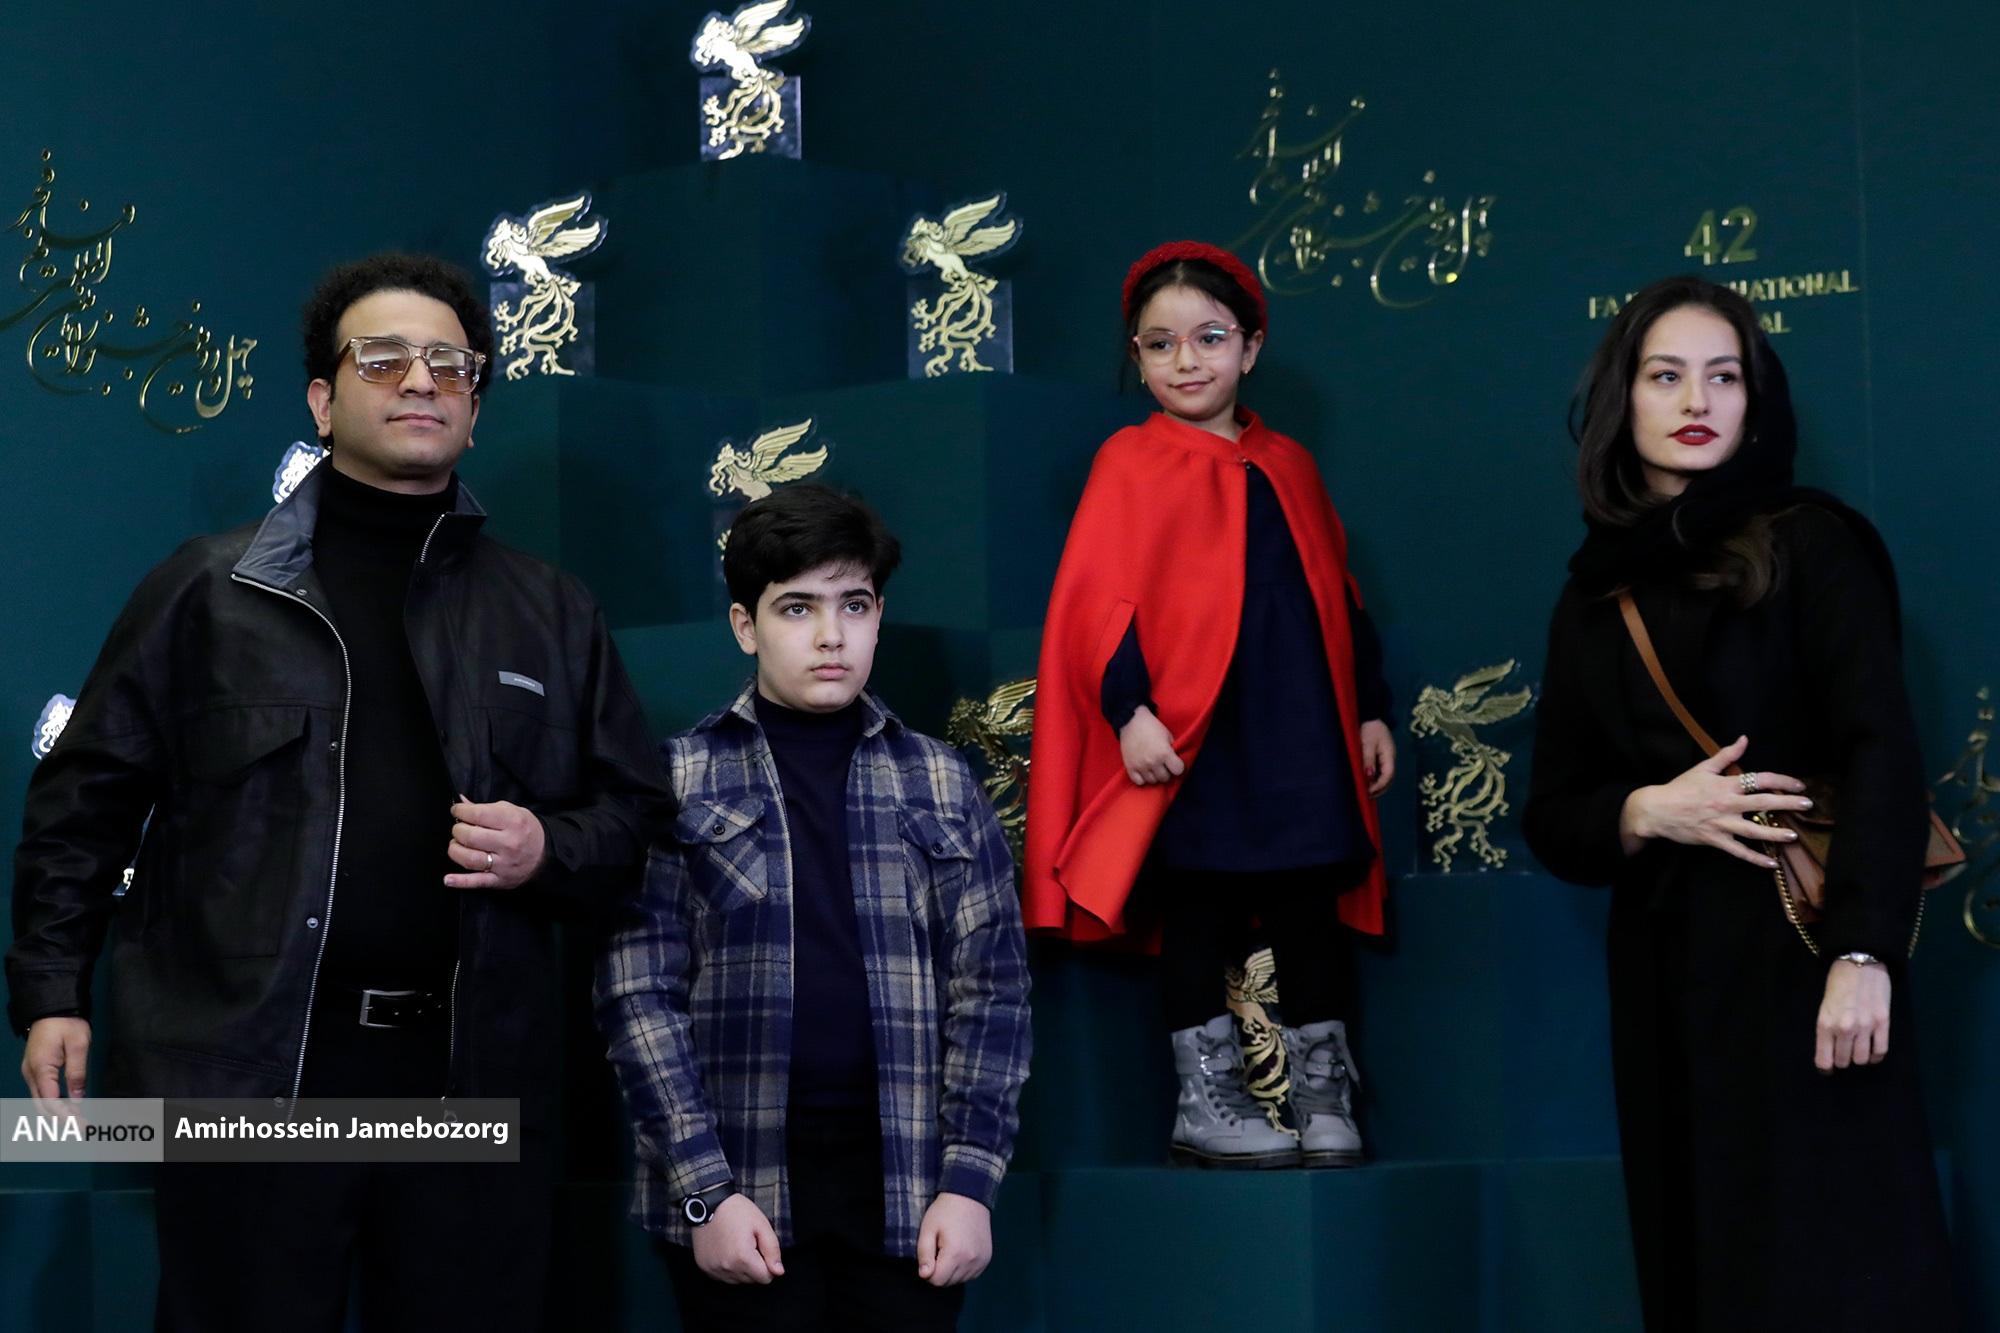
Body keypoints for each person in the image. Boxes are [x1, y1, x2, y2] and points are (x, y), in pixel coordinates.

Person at [7, 252, 671, 1332]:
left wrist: (547, 848)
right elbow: (83, 804)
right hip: (251, 1076)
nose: (420, 381)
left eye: (450, 364)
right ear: (323, 400)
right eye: (383, 359)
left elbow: (637, 819)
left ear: (475, 405)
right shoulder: (206, 589)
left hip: (469, 1081)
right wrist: (51, 992)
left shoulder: (551, 611)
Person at [1523, 274, 1960, 1330]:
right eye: (1665, 375)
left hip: (1808, 960)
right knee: (1700, 1262)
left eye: (1724, 376)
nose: (1697, 400)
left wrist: (1864, 954)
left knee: (1840, 1262)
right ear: (1622, 398)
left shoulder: (1812, 542)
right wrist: (1647, 811)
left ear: (1756, 397)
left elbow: (1881, 750)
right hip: (1666, 978)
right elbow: (1555, 812)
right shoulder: (1593, 594)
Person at [595, 484, 1031, 1332]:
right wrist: (704, 1191)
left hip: (910, 1183)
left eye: (853, 604)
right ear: (745, 625)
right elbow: (637, 995)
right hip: (738, 1182)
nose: (832, 634)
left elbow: (995, 995)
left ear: (878, 616)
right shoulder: (676, 778)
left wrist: (971, 1180)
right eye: (798, 607)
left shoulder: (943, 780)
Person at [1022, 240, 1395, 1168]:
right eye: (1160, 344)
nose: (1186, 361)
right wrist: (1130, 712)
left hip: (1298, 731)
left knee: (1309, 906)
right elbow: (1097, 605)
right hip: (1192, 740)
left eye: (1210, 338)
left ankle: (1324, 1093)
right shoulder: (1128, 461)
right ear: (1137, 357)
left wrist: (1368, 708)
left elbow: (1336, 598)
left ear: (1252, 346)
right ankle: (1205, 1100)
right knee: (1196, 910)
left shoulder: (1291, 464)